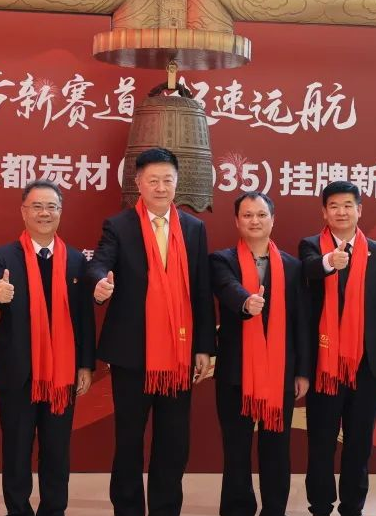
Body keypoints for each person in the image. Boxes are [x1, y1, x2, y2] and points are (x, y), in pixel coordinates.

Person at [87, 147, 215, 516]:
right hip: (132, 353)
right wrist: (99, 284)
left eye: (167, 180)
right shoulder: (119, 226)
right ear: (138, 183)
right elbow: (100, 263)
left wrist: (204, 347)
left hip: (179, 351)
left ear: (177, 182)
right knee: (129, 440)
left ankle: (165, 508)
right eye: (153, 180)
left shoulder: (193, 228)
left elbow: (201, 290)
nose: (160, 187)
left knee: (173, 442)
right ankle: (127, 509)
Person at [0, 179, 95, 516]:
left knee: (57, 452)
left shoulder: (76, 260)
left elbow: (84, 317)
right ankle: (18, 510)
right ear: (23, 211)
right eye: (37, 206)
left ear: (60, 212)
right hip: (19, 373)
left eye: (51, 207)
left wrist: (85, 364)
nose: (45, 213)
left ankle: (53, 510)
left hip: (62, 374)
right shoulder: (4, 255)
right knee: (16, 452)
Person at [210, 191, 309, 516]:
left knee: (276, 449)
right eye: (248, 215)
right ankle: (238, 509)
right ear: (237, 221)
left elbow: (301, 322)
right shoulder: (221, 260)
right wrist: (246, 301)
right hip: (236, 373)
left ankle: (274, 509)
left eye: (261, 215)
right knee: (236, 449)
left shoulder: (293, 267)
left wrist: (302, 371)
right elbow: (227, 288)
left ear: (273, 220)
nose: (255, 221)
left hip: (280, 372)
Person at [299, 180, 376, 516]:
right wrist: (331, 260)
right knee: (321, 441)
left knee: (359, 444)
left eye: (348, 206)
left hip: (365, 365)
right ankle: (319, 506)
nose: (341, 212)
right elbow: (310, 269)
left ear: (359, 210)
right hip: (324, 364)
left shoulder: (374, 251)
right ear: (324, 212)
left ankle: (352, 507)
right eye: (334, 206)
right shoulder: (311, 246)